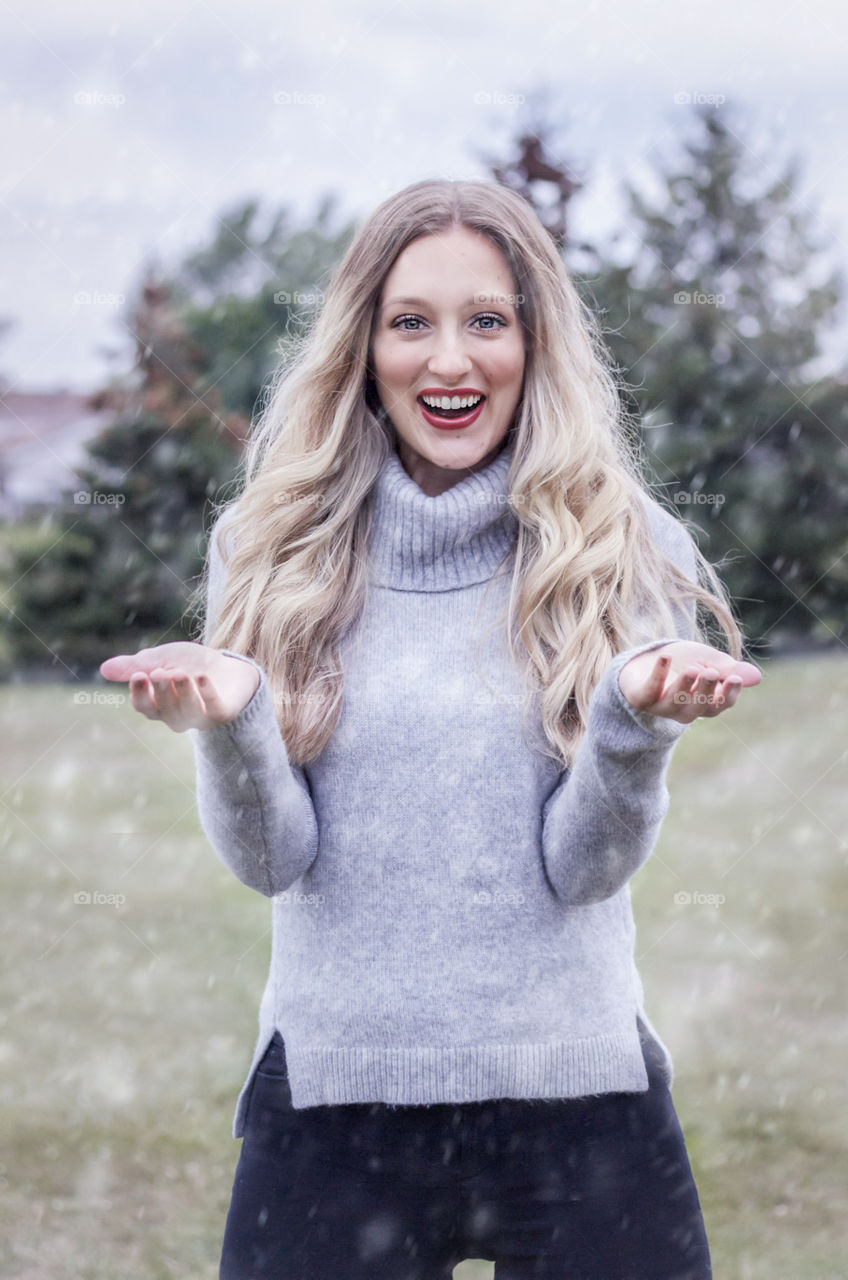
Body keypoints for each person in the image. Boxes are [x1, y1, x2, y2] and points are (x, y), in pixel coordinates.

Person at [100, 178, 762, 1280]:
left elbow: (582, 867)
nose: (448, 360)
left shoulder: (622, 544)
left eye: (486, 321)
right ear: (364, 345)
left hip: (578, 1094)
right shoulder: (267, 547)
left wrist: (632, 725)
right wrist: (233, 724)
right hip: (334, 1098)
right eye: (411, 321)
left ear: (533, 340)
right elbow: (275, 861)